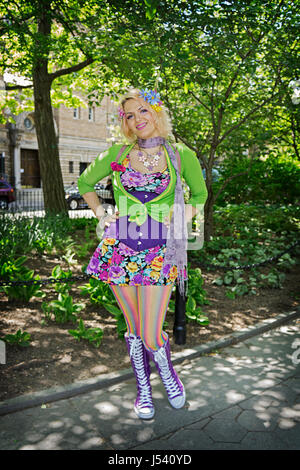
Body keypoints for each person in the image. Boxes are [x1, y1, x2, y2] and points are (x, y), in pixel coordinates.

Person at [77, 88, 208, 420]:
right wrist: (103, 214)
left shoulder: (180, 154)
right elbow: (85, 184)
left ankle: (167, 373)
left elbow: (201, 194)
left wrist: (181, 216)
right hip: (118, 250)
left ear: (157, 112)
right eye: (130, 115)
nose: (137, 120)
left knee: (151, 333)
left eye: (143, 111)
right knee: (135, 329)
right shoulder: (118, 152)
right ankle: (143, 387)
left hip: (159, 251)